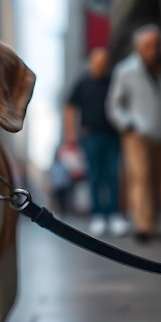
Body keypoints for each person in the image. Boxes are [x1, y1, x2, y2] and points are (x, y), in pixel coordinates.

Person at [107, 25, 161, 243]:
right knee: (140, 177)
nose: (154, 49)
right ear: (138, 47)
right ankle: (143, 225)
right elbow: (114, 105)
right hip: (137, 134)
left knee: (158, 179)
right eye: (148, 45)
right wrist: (128, 124)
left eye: (156, 44)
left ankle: (152, 222)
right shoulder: (125, 70)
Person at [65, 48, 129, 236]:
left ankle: (114, 214)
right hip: (90, 136)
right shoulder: (82, 83)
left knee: (112, 174)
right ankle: (98, 215)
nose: (100, 65)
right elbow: (69, 108)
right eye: (97, 62)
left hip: (112, 135)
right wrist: (71, 134)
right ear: (91, 62)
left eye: (104, 62)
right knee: (95, 175)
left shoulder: (113, 82)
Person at [48, 147, 73, 216]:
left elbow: (67, 174)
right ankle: (61, 212)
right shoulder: (53, 165)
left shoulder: (63, 164)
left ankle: (65, 212)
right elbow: (51, 176)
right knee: (59, 200)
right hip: (57, 186)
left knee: (64, 199)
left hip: (64, 185)